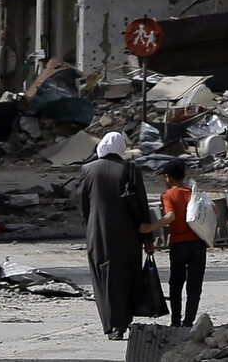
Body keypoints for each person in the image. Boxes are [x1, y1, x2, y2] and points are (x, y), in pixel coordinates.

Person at [77, 130, 151, 340]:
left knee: (104, 279)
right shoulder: (130, 169)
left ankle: (112, 324)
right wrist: (148, 240)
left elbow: (84, 205)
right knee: (126, 276)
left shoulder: (88, 170)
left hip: (98, 234)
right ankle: (124, 321)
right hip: (128, 235)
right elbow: (142, 206)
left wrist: (91, 227)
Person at [139, 159, 206, 328]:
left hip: (179, 244)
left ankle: (176, 321)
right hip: (198, 244)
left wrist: (150, 228)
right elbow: (214, 211)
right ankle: (188, 322)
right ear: (183, 176)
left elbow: (170, 217)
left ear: (168, 178)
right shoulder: (194, 193)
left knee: (176, 284)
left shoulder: (168, 195)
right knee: (194, 285)